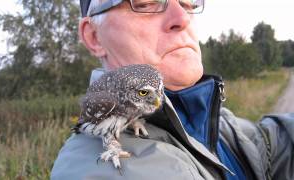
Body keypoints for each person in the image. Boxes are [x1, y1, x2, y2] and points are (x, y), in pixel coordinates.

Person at [51, 0, 294, 179]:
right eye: (145, 3)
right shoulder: (104, 169)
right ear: (94, 36)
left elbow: (267, 145)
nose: (182, 17)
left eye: (187, 2)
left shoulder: (208, 120)